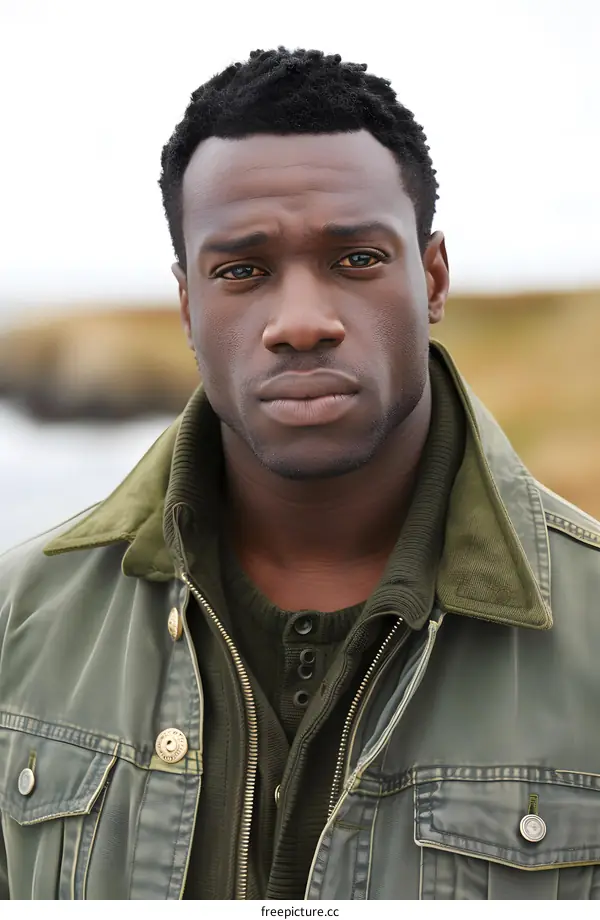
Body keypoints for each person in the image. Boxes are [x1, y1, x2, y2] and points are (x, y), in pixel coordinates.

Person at [1, 47, 599, 903]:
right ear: (186, 307)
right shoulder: (21, 620)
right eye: (242, 271)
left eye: (355, 259)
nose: (303, 322)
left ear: (431, 277)